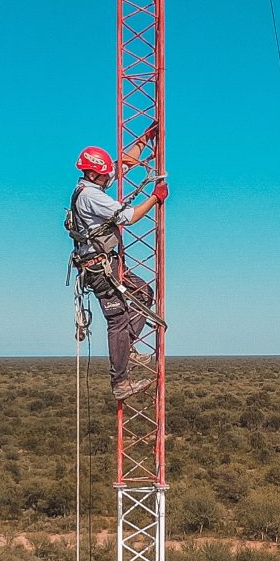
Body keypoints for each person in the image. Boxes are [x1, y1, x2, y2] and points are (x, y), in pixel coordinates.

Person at [69, 126, 168, 400]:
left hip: (107, 264)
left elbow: (120, 164)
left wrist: (146, 139)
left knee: (143, 293)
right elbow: (131, 216)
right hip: (99, 268)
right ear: (91, 174)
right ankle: (120, 382)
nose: (106, 178)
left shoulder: (92, 183)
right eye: (101, 175)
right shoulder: (90, 195)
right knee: (118, 320)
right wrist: (156, 198)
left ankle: (128, 347)